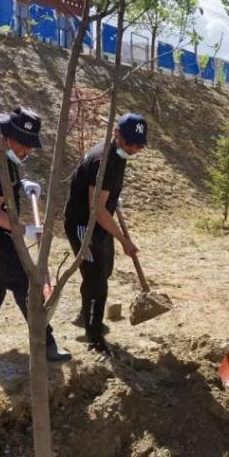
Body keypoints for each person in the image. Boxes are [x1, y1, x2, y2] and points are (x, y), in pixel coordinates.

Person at [0, 107, 71, 362]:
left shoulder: (5, 160)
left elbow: (2, 190)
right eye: (22, 143)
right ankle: (46, 344)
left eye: (29, 145)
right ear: (6, 136)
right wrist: (24, 230)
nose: (26, 150)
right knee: (27, 281)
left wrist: (21, 184)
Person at [64, 113, 148, 356]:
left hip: (100, 223)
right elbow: (97, 210)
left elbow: (103, 199)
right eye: (130, 143)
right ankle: (94, 337)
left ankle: (86, 313)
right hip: (84, 225)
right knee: (96, 280)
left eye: (139, 145)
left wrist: (113, 200)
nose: (134, 149)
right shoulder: (102, 161)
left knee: (105, 269)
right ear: (117, 134)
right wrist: (124, 240)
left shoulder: (118, 155)